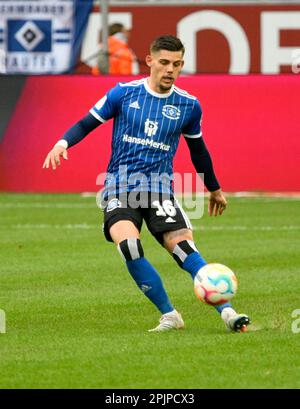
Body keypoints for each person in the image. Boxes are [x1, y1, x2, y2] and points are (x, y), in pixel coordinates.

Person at [43, 35, 250, 333]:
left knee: (183, 250)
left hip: (160, 190)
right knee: (129, 245)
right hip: (119, 187)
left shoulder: (188, 105)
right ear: (150, 60)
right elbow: (86, 123)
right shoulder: (123, 94)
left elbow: (198, 151)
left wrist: (214, 188)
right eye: (164, 62)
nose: (170, 70)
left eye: (177, 64)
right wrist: (63, 143)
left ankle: (228, 312)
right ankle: (169, 314)